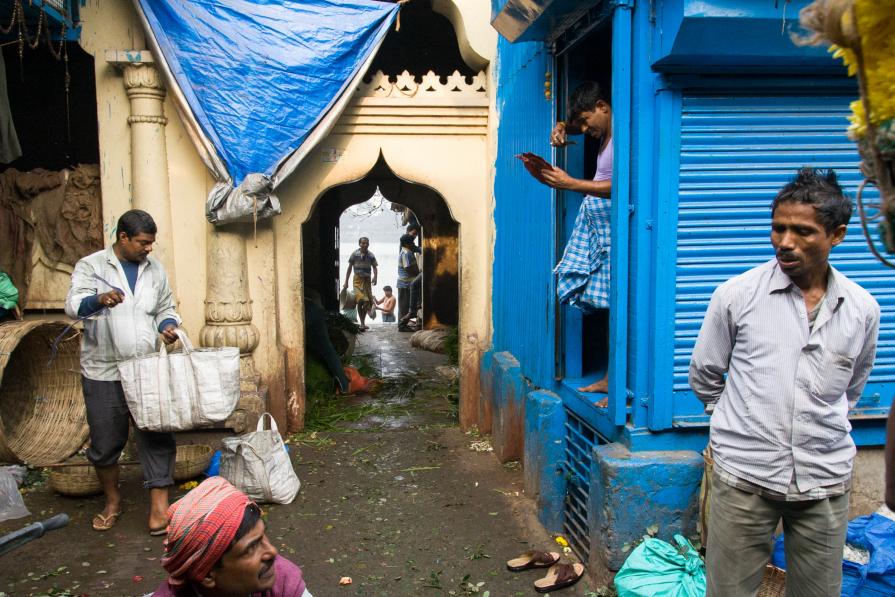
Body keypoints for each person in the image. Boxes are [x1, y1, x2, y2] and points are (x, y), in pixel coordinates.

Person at [689, 167, 880, 597]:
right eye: (778, 228)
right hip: (744, 477)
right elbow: (705, 372)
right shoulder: (737, 295)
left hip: (824, 479)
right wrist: (735, 421)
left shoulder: (862, 309)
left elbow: (852, 387)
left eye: (803, 231)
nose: (785, 242)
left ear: (837, 235)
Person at [65, 209, 180, 535]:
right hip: (103, 371)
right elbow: (73, 305)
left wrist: (167, 325)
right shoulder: (92, 266)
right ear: (123, 237)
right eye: (143, 242)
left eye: (151, 242)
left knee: (156, 435)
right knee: (105, 443)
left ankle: (159, 511)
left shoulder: (155, 269)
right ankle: (112, 501)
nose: (149, 248)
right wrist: (99, 299)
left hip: (145, 368)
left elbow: (165, 307)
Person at [519, 81, 613, 400]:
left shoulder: (623, 135)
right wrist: (562, 126)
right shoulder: (604, 131)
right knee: (608, 305)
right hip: (600, 230)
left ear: (603, 107)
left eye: (586, 122)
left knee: (618, 305)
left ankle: (616, 383)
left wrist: (571, 183)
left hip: (613, 230)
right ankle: (610, 377)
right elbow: (578, 125)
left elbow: (622, 185)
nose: (585, 131)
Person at [152, 476, 312, 597]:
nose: (272, 551)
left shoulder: (282, 579)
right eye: (251, 548)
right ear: (207, 575)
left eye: (263, 537)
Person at [305, 289, 373, 395]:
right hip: (314, 311)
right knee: (326, 350)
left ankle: (344, 387)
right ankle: (344, 385)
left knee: (326, 350)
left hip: (311, 313)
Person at [342, 236, 378, 332]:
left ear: (368, 244)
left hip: (367, 280)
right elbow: (349, 268)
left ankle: (363, 322)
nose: (365, 245)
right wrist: (346, 282)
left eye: (366, 243)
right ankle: (362, 323)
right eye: (363, 243)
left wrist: (375, 277)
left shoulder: (371, 255)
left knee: (366, 301)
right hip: (357, 280)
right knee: (360, 300)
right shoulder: (354, 254)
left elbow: (375, 267)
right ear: (359, 244)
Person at [397, 234, 421, 332]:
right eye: (412, 242)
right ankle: (402, 326)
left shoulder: (406, 251)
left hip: (406, 283)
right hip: (405, 283)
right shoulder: (406, 253)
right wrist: (417, 274)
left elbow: (418, 249)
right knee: (404, 307)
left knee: (406, 306)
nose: (414, 244)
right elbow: (407, 267)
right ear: (407, 244)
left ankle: (404, 325)